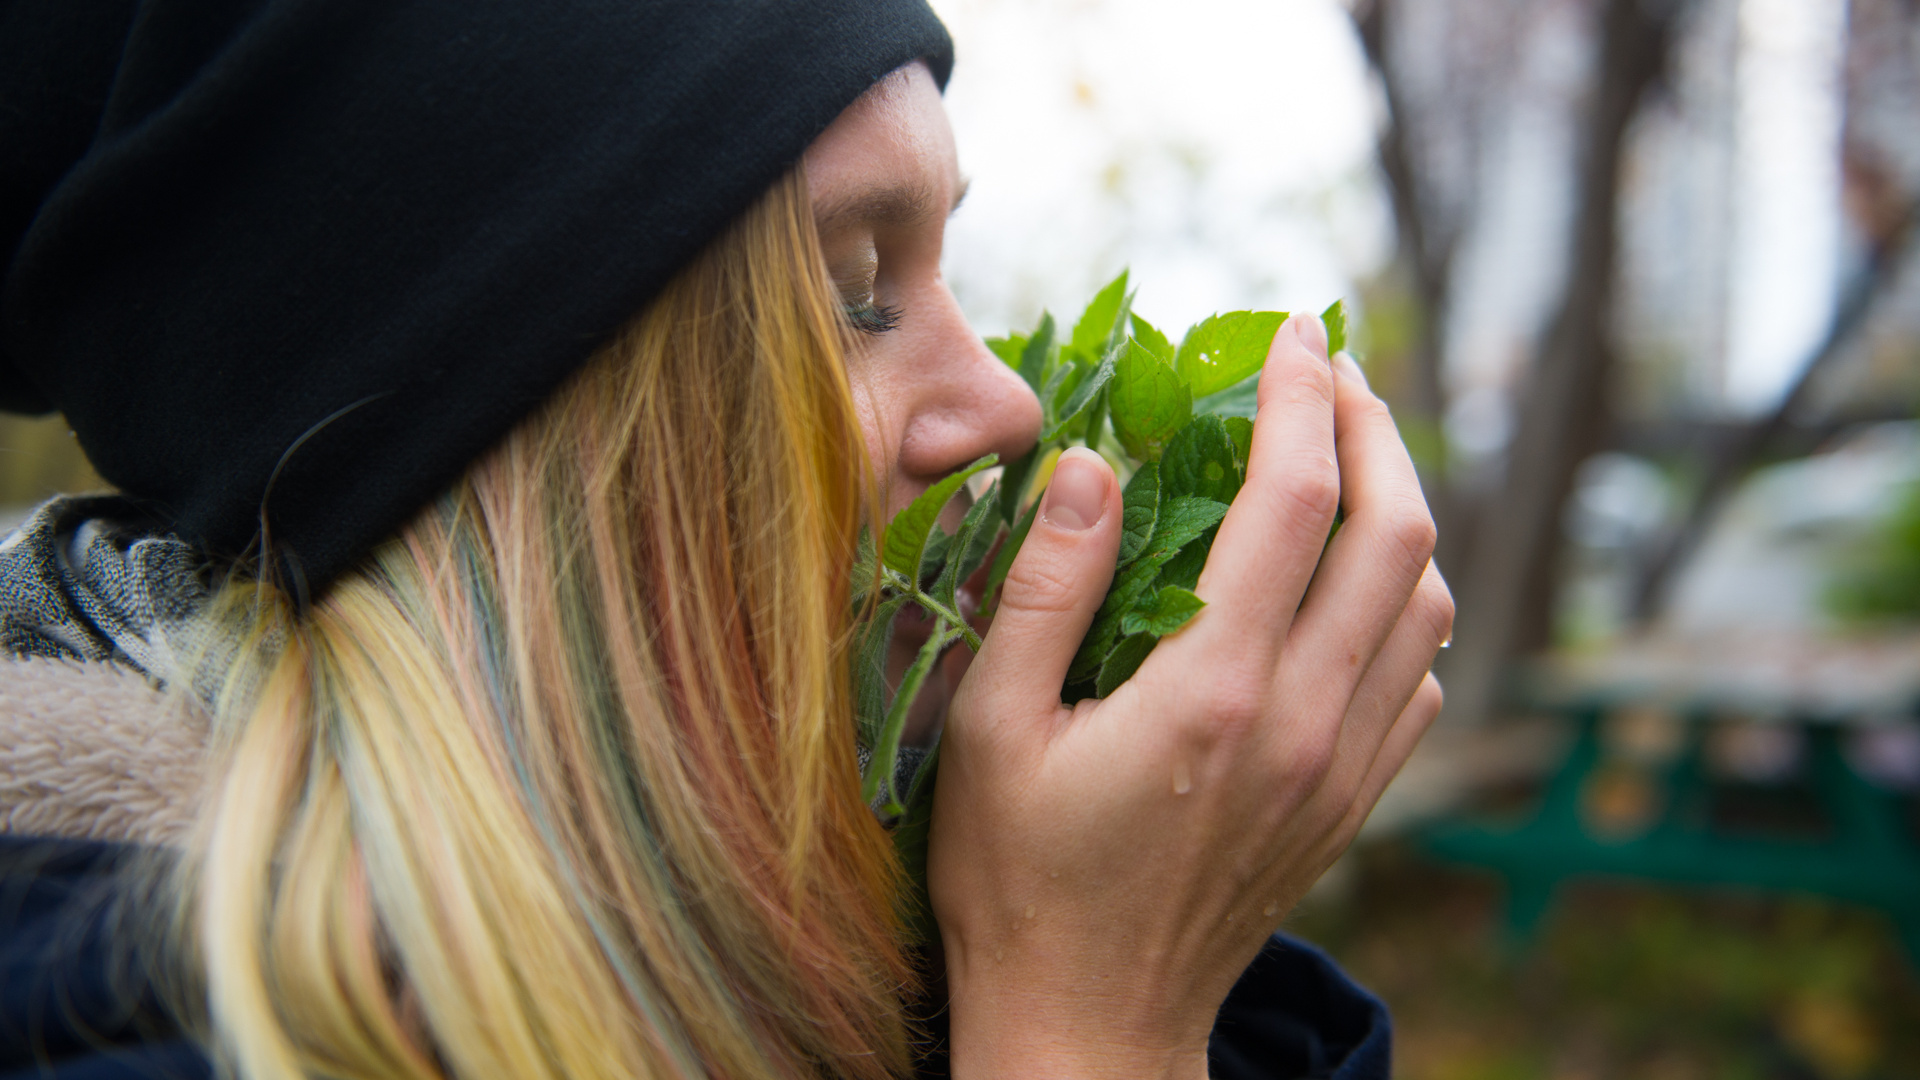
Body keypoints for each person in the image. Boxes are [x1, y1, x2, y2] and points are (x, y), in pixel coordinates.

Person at [0, 2, 1452, 1078]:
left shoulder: (845, 912)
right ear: (499, 438)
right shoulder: (138, 1029)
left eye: (947, 254)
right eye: (849, 294)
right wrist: (1085, 1019)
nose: (1012, 410)